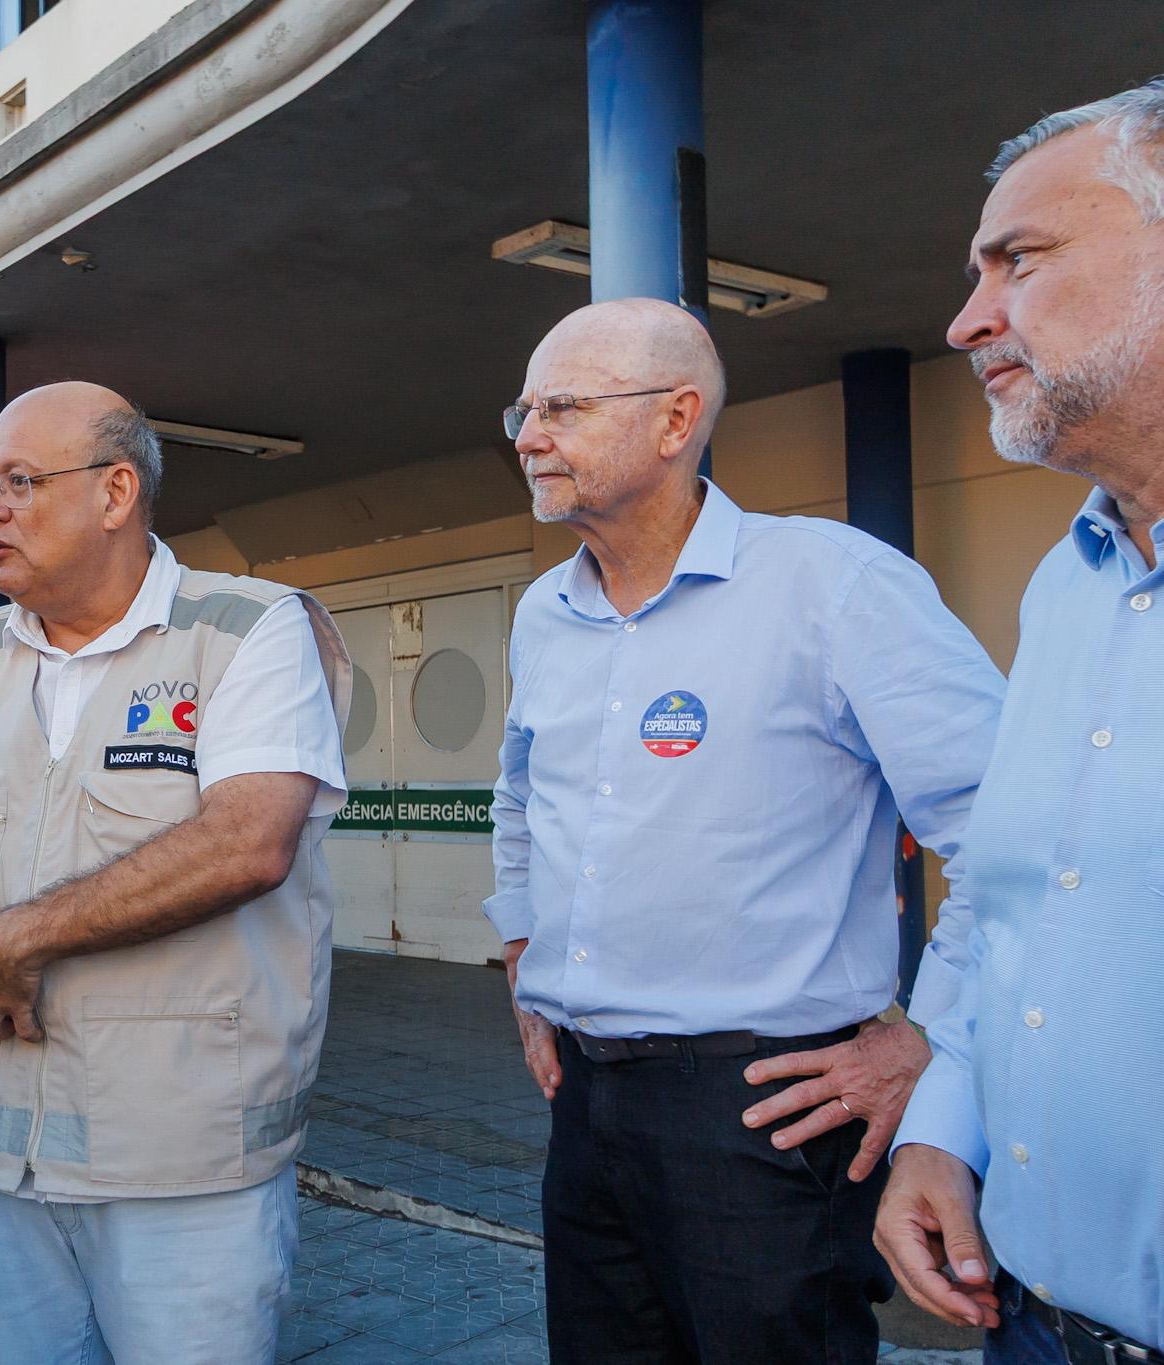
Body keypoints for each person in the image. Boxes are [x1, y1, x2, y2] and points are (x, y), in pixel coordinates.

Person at [484, 298, 1008, 1363]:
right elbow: (518, 801)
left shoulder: (833, 585)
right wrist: (522, 956)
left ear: (675, 422)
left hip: (768, 1115)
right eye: (524, 411)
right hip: (586, 1112)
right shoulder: (545, 610)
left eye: (564, 408)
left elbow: (1006, 835)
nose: (529, 437)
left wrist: (932, 1044)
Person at [0, 381, 350, 1363]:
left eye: (20, 482)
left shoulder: (246, 631)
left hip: (182, 1173)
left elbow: (248, 840)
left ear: (115, 493)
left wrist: (21, 935)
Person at [878, 78, 1164, 1364]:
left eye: (1019, 262)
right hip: (1034, 1324)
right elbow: (1011, 909)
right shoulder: (1070, 581)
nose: (964, 321)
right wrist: (945, 1125)